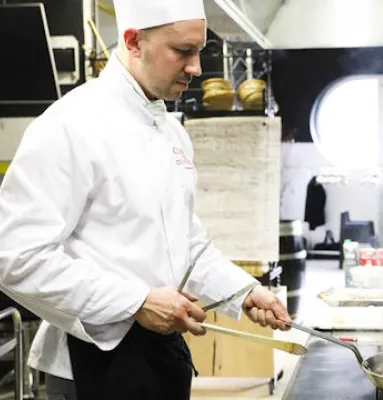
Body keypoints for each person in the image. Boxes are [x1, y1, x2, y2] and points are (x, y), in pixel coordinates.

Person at [0, 0, 291, 399]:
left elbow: (188, 246)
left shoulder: (172, 132)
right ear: (134, 41)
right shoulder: (70, 125)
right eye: (182, 51)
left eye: (199, 51)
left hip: (159, 358)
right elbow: (16, 257)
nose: (196, 68)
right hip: (93, 367)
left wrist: (243, 291)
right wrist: (136, 302)